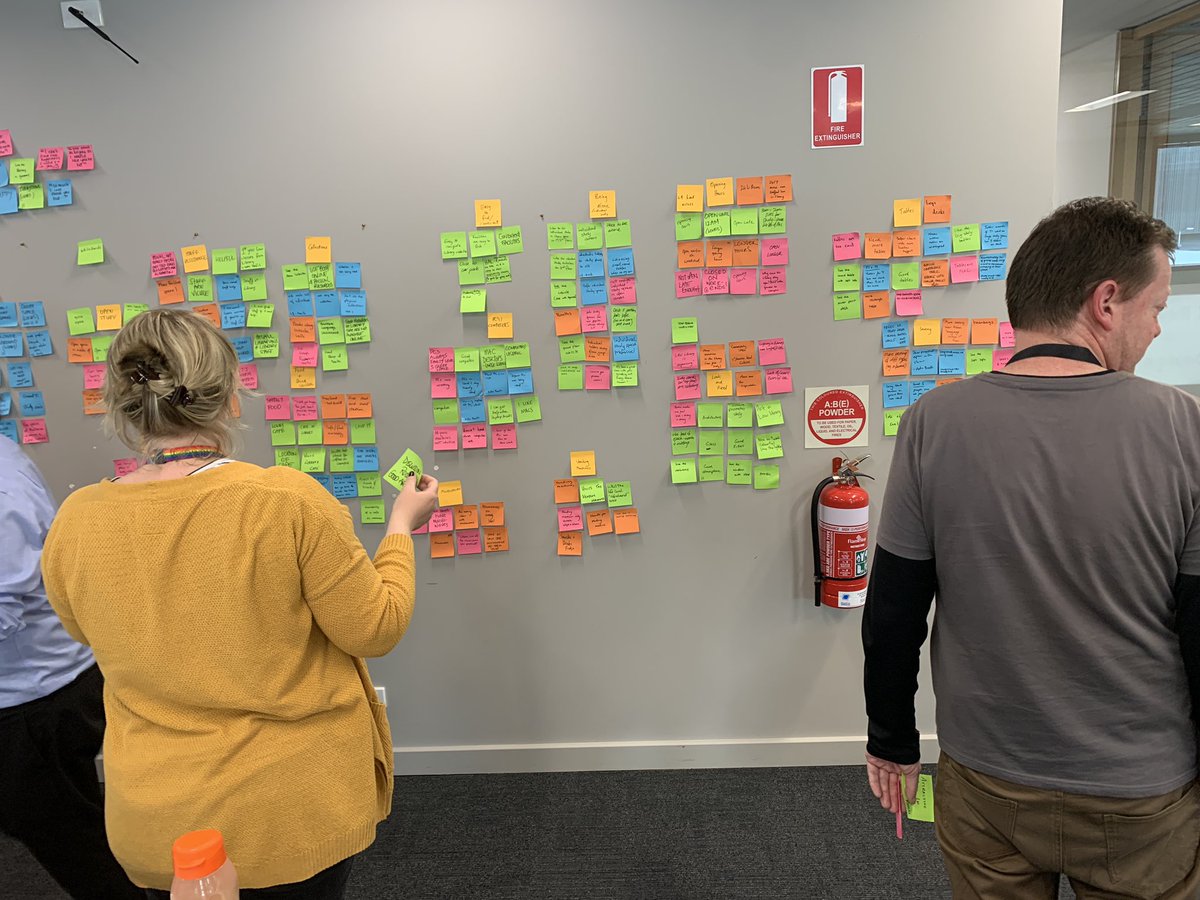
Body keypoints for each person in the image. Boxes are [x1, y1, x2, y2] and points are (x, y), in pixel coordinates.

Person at [862, 197, 1200, 898]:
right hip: (1140, 792)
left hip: (987, 780)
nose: (1158, 327)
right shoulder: (1184, 428)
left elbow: (893, 610)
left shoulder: (934, 422)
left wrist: (890, 740)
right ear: (1106, 302)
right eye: (1156, 307)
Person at [40, 307, 439, 897]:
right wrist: (402, 527)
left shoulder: (75, 520)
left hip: (155, 822)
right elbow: (375, 628)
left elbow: (81, 628)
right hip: (285, 817)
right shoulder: (283, 500)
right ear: (230, 398)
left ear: (123, 405)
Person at [0, 435, 142, 900]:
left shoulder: (3, 484)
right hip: (47, 684)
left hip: (37, 697)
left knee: (69, 838)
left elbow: (5, 605)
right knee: (81, 818)